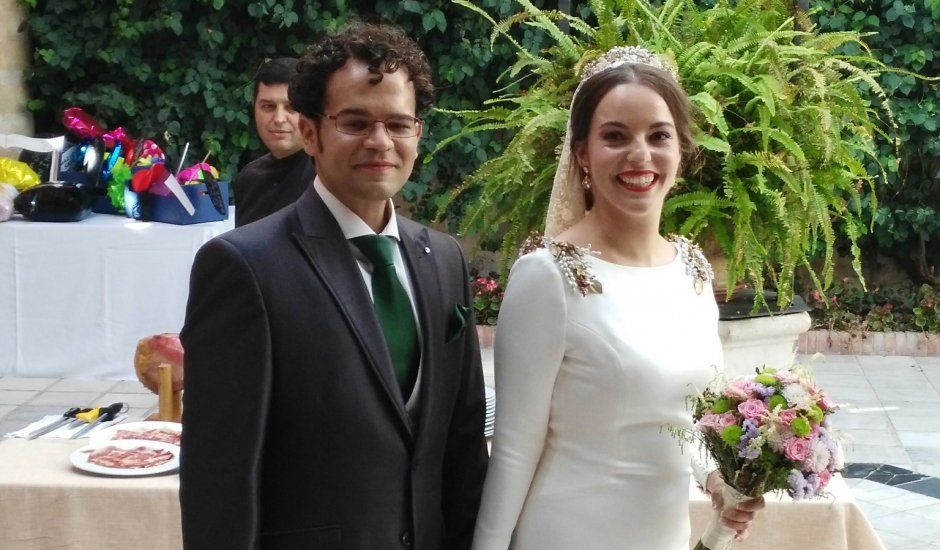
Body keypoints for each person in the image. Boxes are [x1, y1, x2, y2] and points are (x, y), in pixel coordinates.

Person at [180, 24, 488, 550]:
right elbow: (219, 478)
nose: (380, 142)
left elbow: (460, 446)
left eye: (398, 123)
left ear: (418, 133)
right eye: (355, 122)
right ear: (309, 132)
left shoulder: (444, 262)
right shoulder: (243, 267)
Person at [471, 46, 764, 549]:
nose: (640, 155)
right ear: (582, 152)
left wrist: (714, 478)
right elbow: (516, 450)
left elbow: (685, 415)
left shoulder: (692, 271)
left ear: (681, 149)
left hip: (663, 534)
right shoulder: (548, 276)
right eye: (615, 136)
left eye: (658, 136)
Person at [233, 57, 315, 227]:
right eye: (268, 107)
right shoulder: (249, 179)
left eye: (291, 108)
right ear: (254, 109)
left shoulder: (329, 179)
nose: (278, 119)